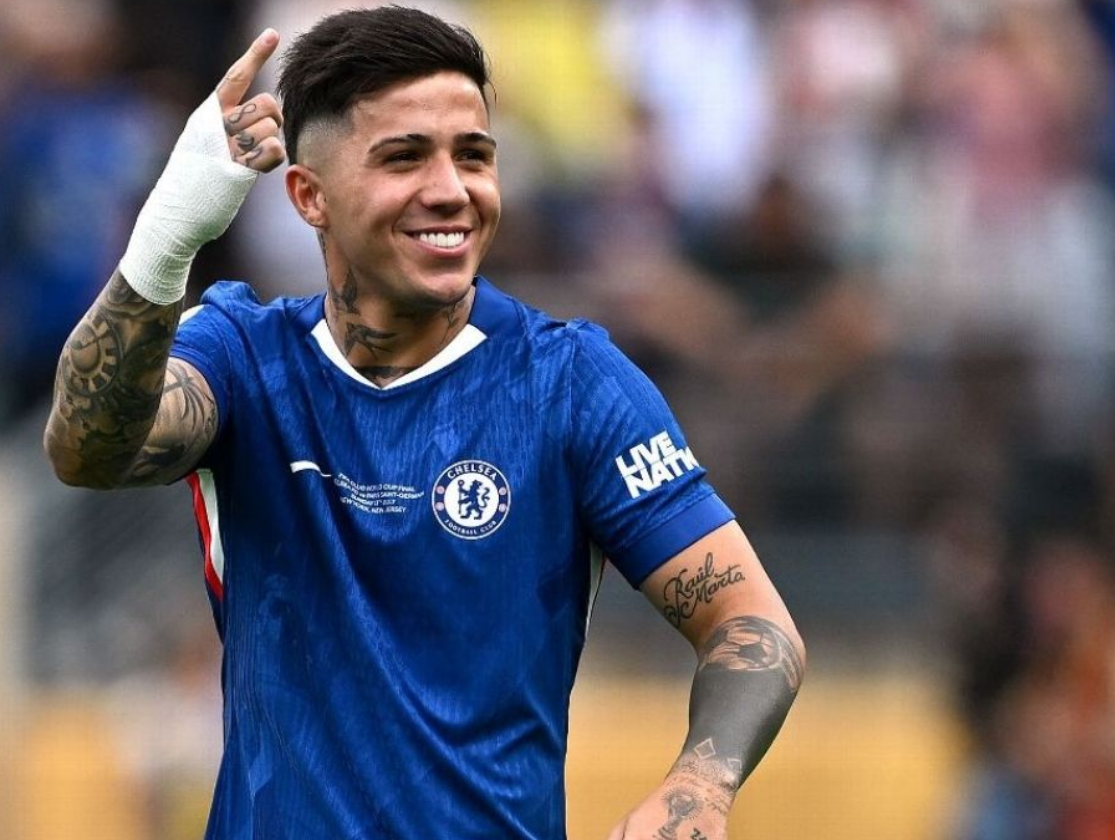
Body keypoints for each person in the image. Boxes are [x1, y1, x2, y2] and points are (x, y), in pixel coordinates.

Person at [43, 8, 804, 839]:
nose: (451, 189)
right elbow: (88, 450)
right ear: (309, 196)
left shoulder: (571, 383)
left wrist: (699, 786)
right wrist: (164, 239)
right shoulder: (241, 356)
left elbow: (752, 623)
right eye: (404, 157)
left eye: (473, 155)